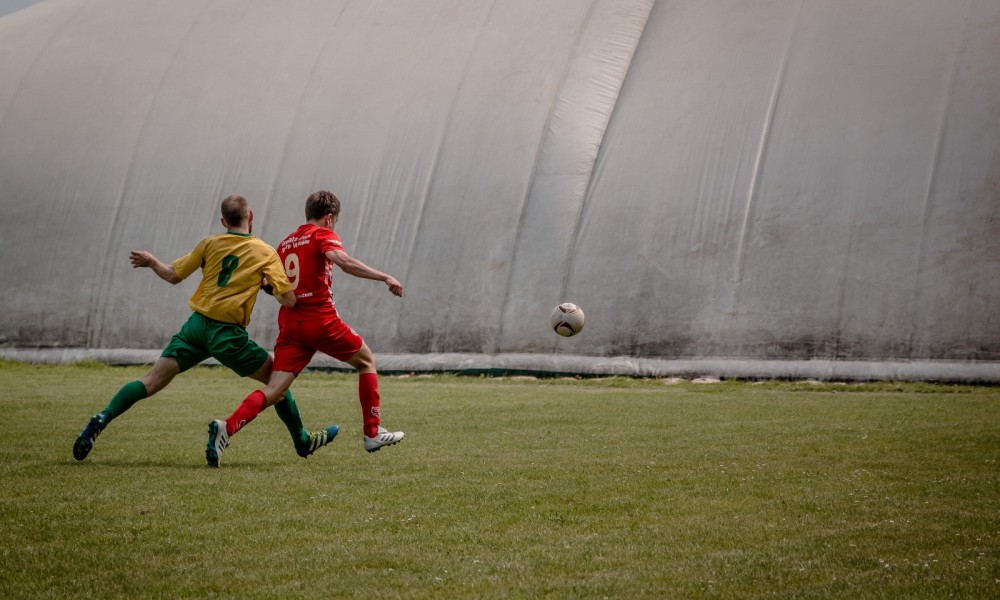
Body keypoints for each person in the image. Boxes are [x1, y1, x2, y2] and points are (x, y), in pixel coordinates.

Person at [73, 195, 338, 463]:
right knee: (277, 385)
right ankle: (302, 441)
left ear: (223, 221)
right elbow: (289, 299)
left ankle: (103, 416)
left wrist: (153, 262)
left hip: (196, 327)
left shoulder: (209, 244)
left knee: (150, 380)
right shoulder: (264, 251)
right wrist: (268, 286)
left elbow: (173, 275)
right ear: (251, 216)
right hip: (227, 334)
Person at [207, 190, 404, 466]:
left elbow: (267, 284)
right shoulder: (321, 234)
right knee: (367, 362)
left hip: (290, 325)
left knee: (275, 390)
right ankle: (372, 432)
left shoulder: (286, 243)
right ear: (330, 217)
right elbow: (343, 262)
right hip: (320, 321)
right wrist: (385, 277)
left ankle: (226, 428)